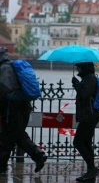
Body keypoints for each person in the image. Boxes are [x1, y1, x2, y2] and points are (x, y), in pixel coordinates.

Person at [0, 47, 47, 175]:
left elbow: (4, 90)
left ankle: (2, 168)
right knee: (16, 134)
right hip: (23, 106)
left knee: (8, 137)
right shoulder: (12, 66)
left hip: (12, 108)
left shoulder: (5, 68)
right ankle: (38, 156)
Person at [72, 62, 99, 182]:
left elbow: (85, 94)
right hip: (88, 115)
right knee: (86, 143)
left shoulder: (90, 79)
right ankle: (90, 171)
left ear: (84, 68)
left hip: (89, 116)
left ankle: (92, 169)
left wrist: (76, 84)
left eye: (79, 66)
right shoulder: (87, 78)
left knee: (78, 142)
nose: (77, 68)